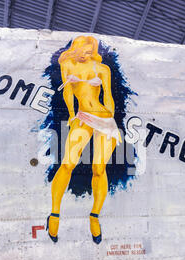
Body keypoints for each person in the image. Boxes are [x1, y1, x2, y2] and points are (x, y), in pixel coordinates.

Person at [46, 35, 121, 244]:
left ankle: (94, 215)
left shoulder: (102, 69)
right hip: (83, 116)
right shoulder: (68, 65)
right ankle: (54, 213)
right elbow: (68, 92)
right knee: (67, 163)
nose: (86, 55)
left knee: (99, 168)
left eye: (90, 52)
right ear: (76, 49)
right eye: (84, 52)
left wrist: (111, 120)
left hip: (104, 117)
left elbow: (108, 97)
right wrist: (71, 115)